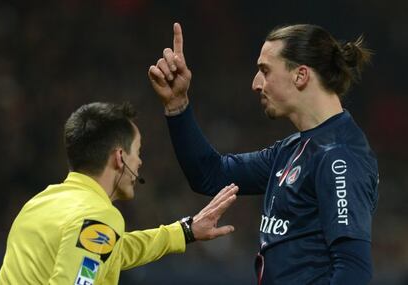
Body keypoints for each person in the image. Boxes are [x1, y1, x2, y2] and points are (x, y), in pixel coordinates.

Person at [148, 23, 379, 284]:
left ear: (300, 75)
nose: (256, 84)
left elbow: (353, 271)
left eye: (265, 71)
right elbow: (209, 174)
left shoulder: (339, 156)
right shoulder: (294, 150)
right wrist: (178, 105)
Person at [0, 102, 239, 284]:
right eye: (137, 151)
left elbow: (113, 250)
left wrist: (185, 231)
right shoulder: (100, 216)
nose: (140, 162)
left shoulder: (39, 203)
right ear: (120, 157)